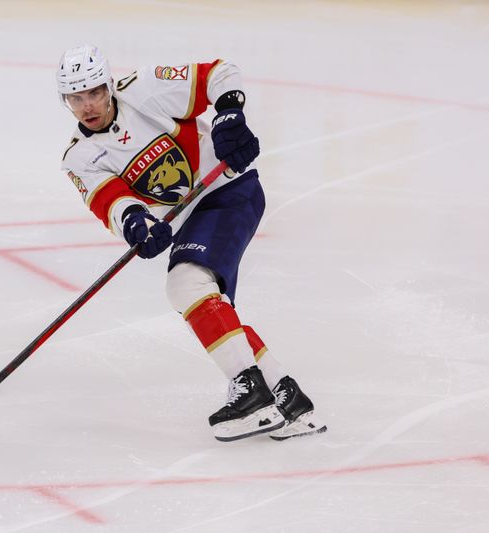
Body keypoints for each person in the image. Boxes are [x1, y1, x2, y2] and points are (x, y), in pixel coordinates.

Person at [57, 45, 326, 442]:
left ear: (110, 85)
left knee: (185, 283)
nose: (87, 105)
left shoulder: (144, 89)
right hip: (194, 220)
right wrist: (137, 224)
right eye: (75, 97)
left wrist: (229, 116)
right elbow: (112, 202)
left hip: (230, 192)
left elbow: (220, 73)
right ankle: (288, 400)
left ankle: (250, 393)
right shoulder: (79, 158)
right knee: (215, 309)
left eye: (94, 92)